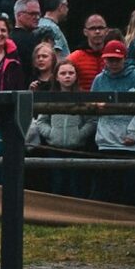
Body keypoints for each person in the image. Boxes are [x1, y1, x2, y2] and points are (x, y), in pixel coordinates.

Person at [91, 38, 135, 205]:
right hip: (106, 142)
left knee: (132, 187)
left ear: (124, 58)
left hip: (132, 143)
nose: (114, 63)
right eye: (110, 59)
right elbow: (92, 108)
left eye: (117, 59)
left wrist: (133, 133)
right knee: (108, 186)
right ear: (104, 60)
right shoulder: (98, 80)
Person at [27, 59, 94, 198]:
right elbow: (41, 121)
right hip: (55, 148)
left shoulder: (82, 97)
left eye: (71, 73)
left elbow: (91, 121)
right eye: (63, 73)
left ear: (76, 76)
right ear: (56, 77)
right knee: (57, 184)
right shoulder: (51, 97)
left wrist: (80, 134)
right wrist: (51, 134)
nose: (67, 76)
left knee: (76, 185)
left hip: (77, 149)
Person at [69, 15, 112, 88]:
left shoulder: (113, 56)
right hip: (83, 98)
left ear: (106, 31)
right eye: (92, 28)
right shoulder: (74, 58)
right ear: (85, 32)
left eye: (101, 28)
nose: (97, 31)